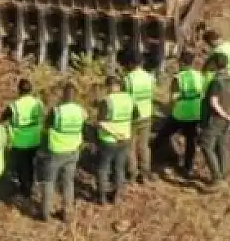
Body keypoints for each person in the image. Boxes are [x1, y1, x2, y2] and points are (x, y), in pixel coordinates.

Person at [155, 50, 206, 179]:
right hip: (195, 111)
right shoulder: (199, 75)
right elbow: (203, 93)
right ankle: (188, 167)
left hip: (181, 112)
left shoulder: (179, 78)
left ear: (181, 62)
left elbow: (174, 97)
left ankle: (155, 158)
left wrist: (172, 109)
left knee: (164, 134)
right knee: (191, 141)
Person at [40, 85, 87, 223]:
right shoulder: (81, 111)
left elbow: (46, 126)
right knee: (68, 182)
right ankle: (67, 212)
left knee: (49, 181)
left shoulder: (57, 111)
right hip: (73, 150)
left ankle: (45, 213)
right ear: (75, 97)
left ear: (63, 95)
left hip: (56, 150)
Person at [201, 54, 230, 189]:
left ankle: (217, 178)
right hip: (227, 120)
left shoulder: (216, 82)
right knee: (222, 146)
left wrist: (224, 114)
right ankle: (223, 174)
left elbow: (213, 102)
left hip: (215, 119)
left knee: (206, 146)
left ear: (215, 64)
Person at [95, 74, 135, 204]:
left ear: (108, 86)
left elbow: (100, 122)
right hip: (125, 138)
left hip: (108, 140)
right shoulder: (129, 98)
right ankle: (117, 195)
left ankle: (102, 196)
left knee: (103, 168)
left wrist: (113, 133)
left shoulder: (106, 101)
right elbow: (135, 115)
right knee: (119, 167)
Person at [5, 79, 45, 203]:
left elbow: (3, 117)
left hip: (19, 140)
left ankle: (25, 190)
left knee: (22, 166)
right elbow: (42, 117)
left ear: (19, 90)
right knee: (31, 163)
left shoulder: (14, 105)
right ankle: (32, 185)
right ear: (31, 90)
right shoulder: (38, 103)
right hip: (34, 138)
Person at [123, 63, 157, 184]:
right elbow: (153, 94)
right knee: (144, 145)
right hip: (147, 113)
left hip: (133, 115)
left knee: (130, 146)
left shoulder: (128, 79)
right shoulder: (150, 77)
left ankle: (132, 174)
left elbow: (125, 97)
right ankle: (145, 173)